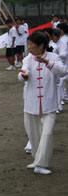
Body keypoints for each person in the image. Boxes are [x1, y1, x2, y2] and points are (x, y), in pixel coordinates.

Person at [19, 31, 67, 175]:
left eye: (31, 44)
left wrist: (47, 62)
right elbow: (22, 72)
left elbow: (63, 71)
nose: (29, 47)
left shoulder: (53, 57)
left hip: (49, 103)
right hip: (31, 102)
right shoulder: (28, 59)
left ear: (41, 46)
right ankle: (37, 160)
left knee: (47, 133)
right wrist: (24, 75)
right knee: (33, 135)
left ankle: (41, 164)